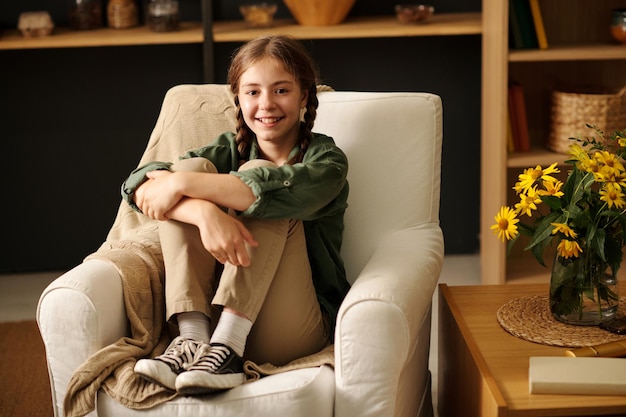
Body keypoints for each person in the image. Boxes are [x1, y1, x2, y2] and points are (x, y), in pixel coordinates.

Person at [120, 35, 350, 396]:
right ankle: (192, 338)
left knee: (260, 180)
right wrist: (203, 213)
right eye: (253, 92)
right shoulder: (228, 150)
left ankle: (229, 347)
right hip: (213, 317)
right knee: (192, 166)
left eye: (281, 90)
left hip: (291, 328)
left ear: (304, 95)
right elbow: (139, 186)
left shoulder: (327, 161)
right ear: (238, 100)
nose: (266, 104)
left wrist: (181, 185)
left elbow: (262, 188)